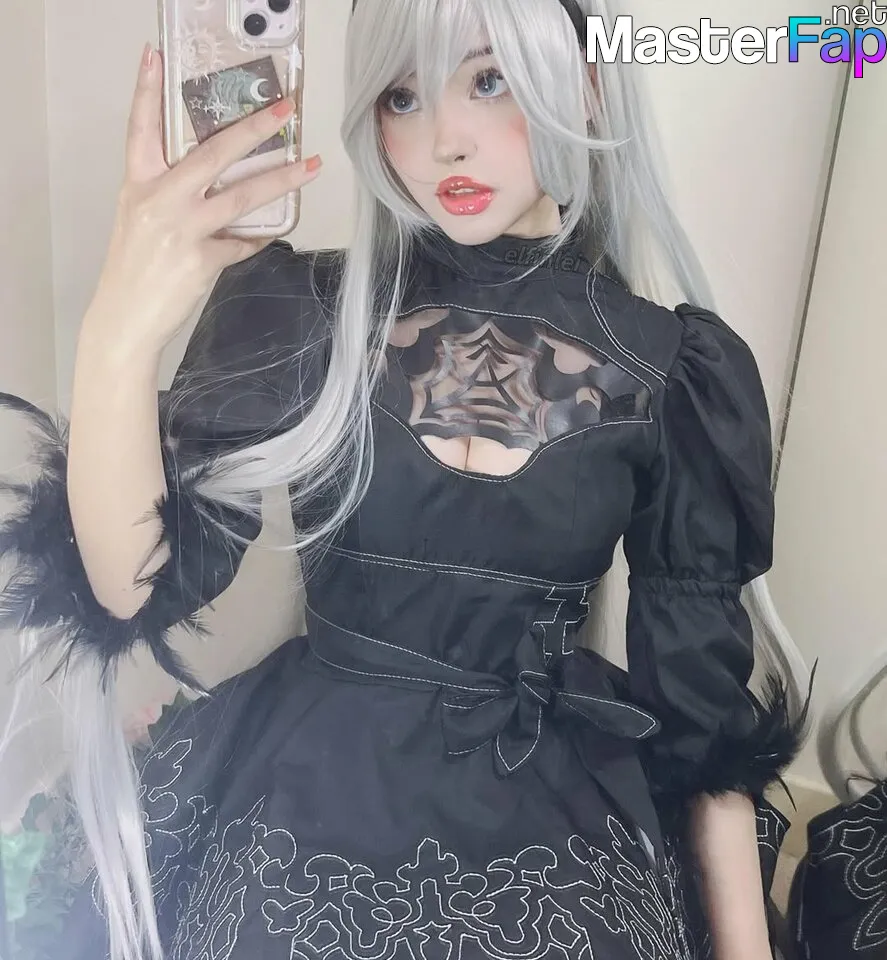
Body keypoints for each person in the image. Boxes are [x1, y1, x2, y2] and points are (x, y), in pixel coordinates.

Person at [0, 1, 812, 958]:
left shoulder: (674, 369)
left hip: (552, 806)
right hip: (306, 785)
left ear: (585, 84)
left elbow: (699, 718)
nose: (442, 141)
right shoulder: (302, 310)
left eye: (489, 80)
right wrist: (118, 333)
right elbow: (131, 585)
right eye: (401, 95)